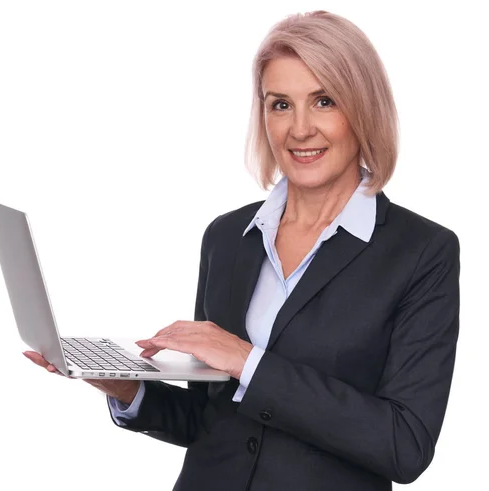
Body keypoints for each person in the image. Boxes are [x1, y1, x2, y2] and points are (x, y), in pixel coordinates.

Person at [24, 10, 460, 490]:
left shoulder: (422, 253)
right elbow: (208, 419)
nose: (299, 129)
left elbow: (405, 445)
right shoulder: (228, 236)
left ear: (363, 110)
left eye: (324, 101)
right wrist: (125, 386)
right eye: (280, 104)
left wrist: (246, 359)